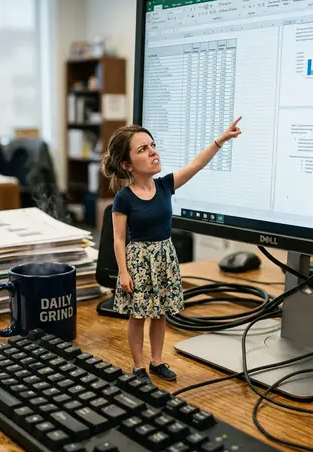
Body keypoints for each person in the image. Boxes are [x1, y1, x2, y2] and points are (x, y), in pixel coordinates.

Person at [101, 117, 242, 383]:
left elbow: (196, 165)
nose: (153, 151)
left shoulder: (165, 186)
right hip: (139, 261)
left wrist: (220, 141)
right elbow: (118, 239)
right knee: (138, 314)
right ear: (126, 165)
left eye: (152, 145)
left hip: (164, 257)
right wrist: (123, 272)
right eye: (142, 149)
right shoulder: (124, 198)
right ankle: (139, 366)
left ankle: (156, 361)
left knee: (159, 313)